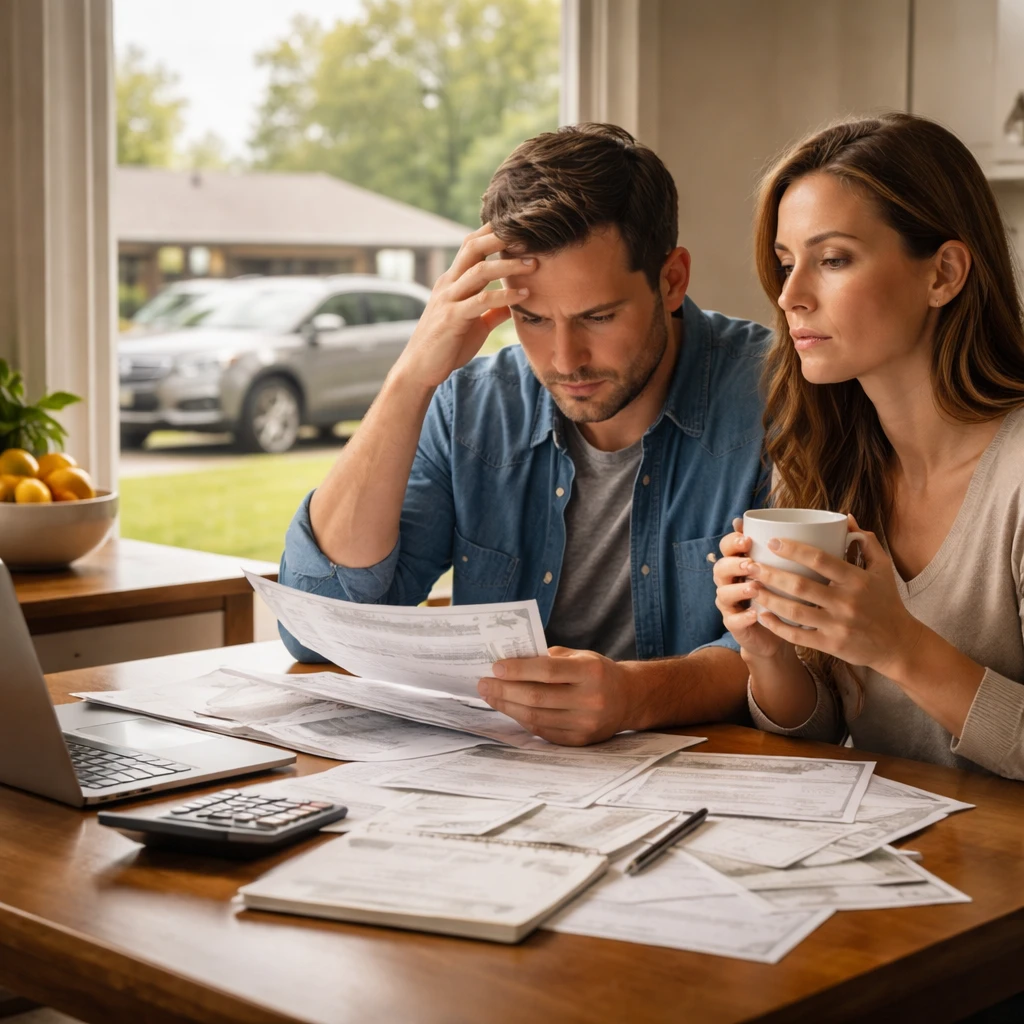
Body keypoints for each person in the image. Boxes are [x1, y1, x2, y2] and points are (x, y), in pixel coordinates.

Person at [279, 122, 770, 745]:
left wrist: (635, 696)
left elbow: (794, 654)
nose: (565, 358)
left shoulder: (773, 397)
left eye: (597, 316)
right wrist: (409, 380)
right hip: (499, 785)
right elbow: (319, 627)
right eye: (531, 318)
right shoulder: (471, 405)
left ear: (671, 280)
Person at [713, 112, 1024, 781]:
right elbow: (823, 727)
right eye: (785, 264)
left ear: (943, 273)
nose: (791, 296)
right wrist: (766, 652)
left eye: (832, 260)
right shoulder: (829, 458)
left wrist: (901, 645)